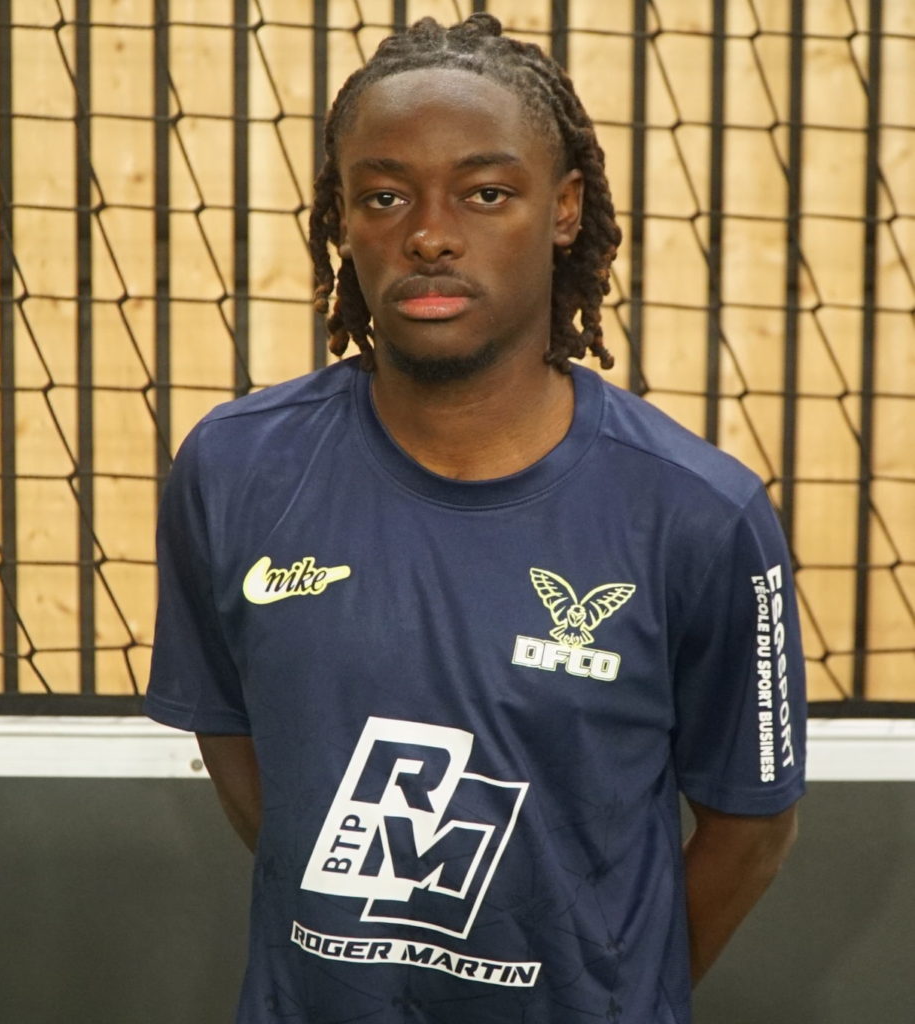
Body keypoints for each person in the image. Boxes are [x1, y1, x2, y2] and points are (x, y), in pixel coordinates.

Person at [145, 14, 805, 1023]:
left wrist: (610, 992)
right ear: (342, 218)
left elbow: (750, 832)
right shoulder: (233, 469)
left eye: (484, 193)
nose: (429, 234)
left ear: (563, 209)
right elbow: (235, 735)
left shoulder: (700, 513)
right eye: (384, 196)